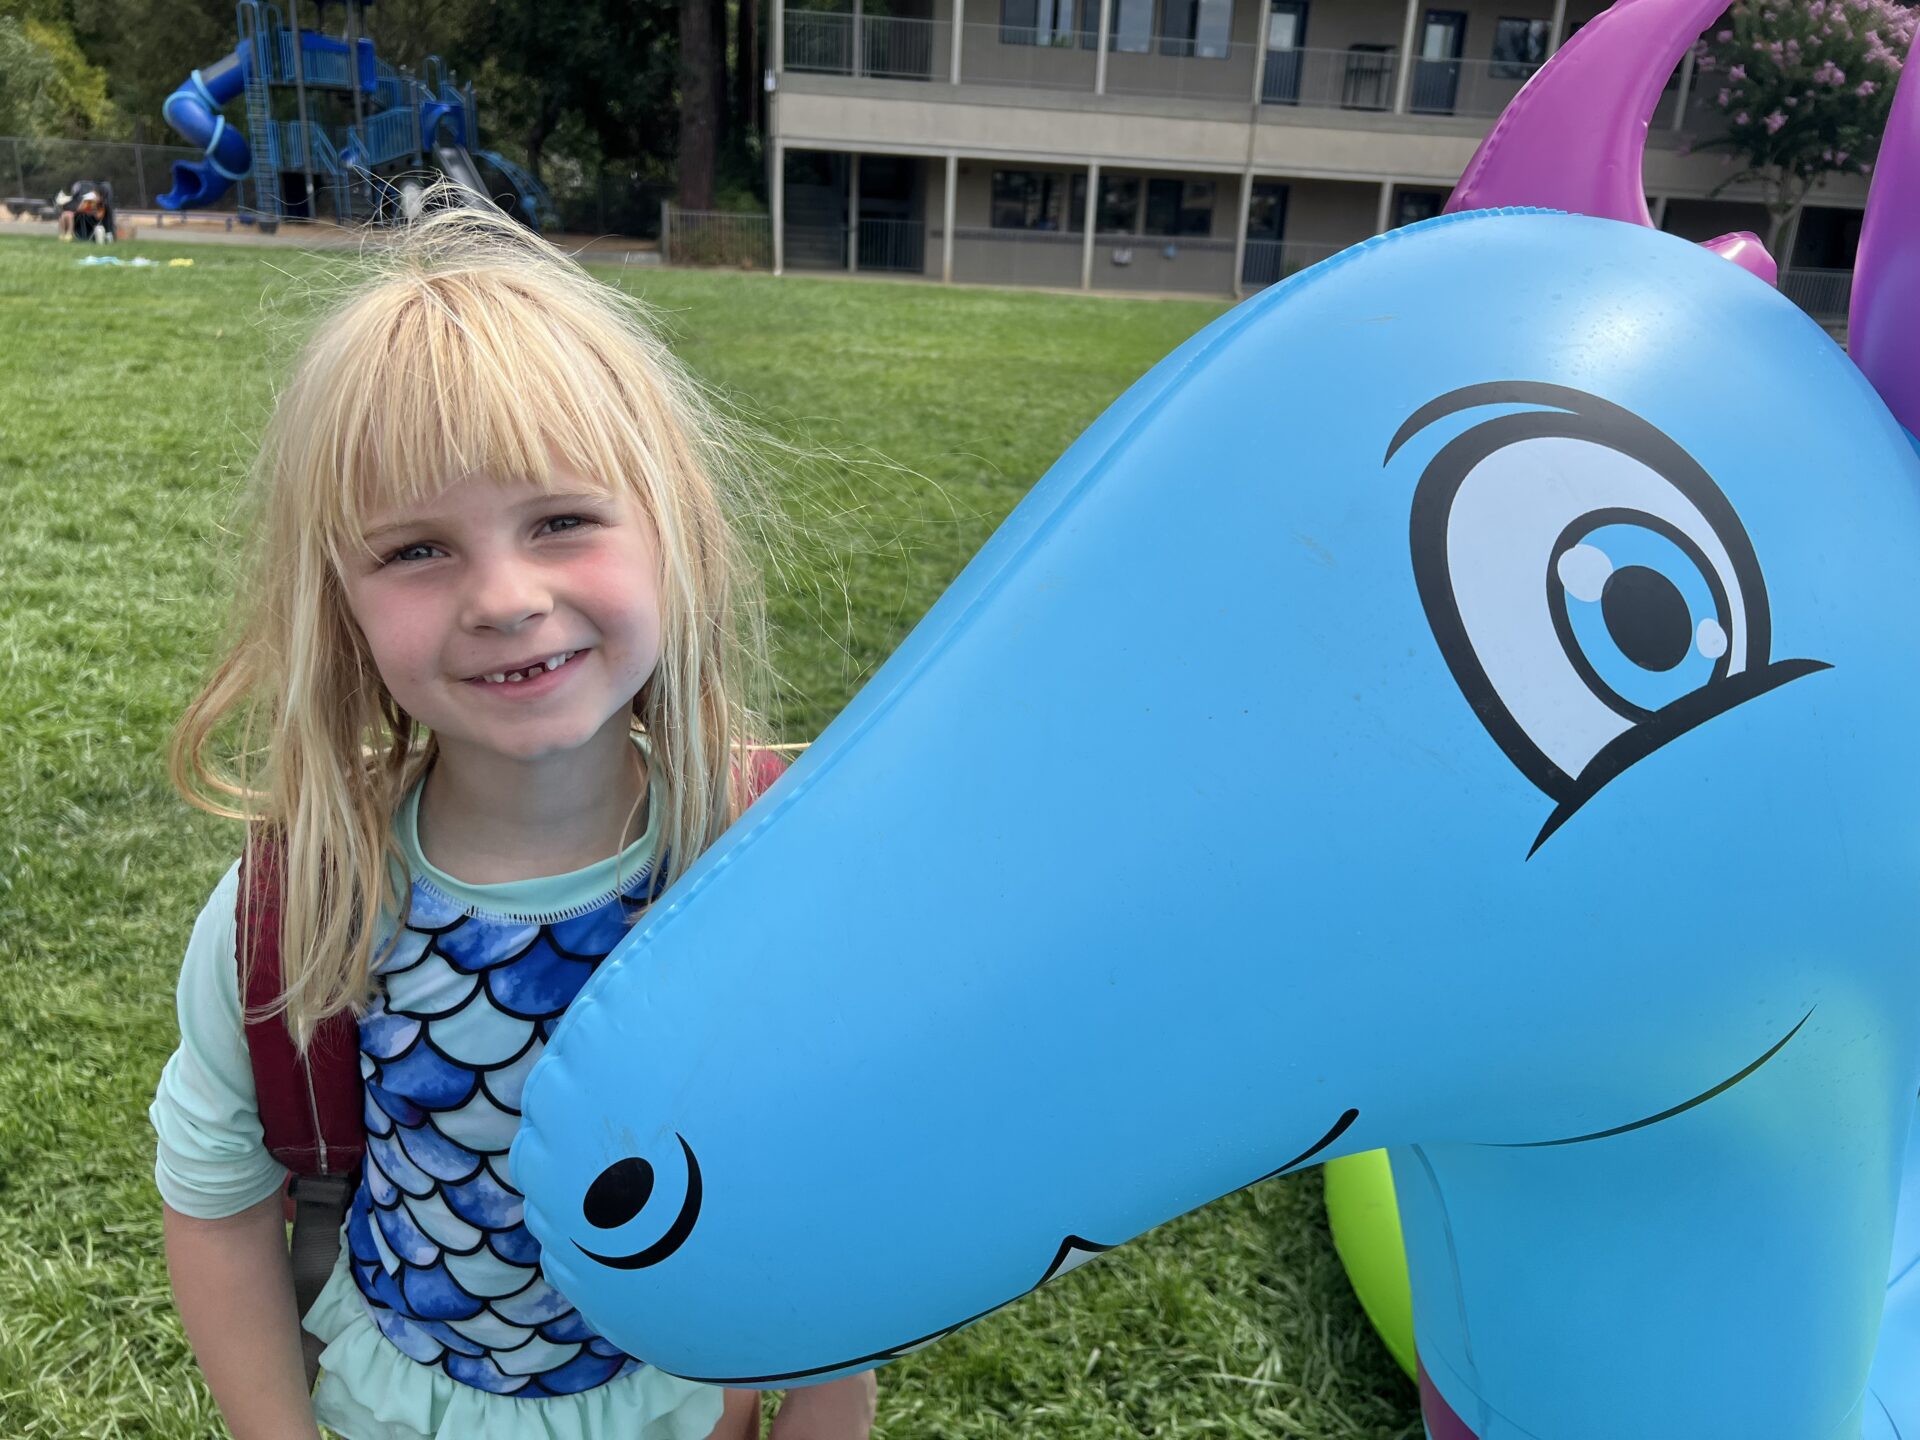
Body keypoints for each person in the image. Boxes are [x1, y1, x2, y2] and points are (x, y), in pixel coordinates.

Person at [149, 199, 878, 1440]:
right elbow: (214, 1199)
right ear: (340, 606)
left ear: (674, 532)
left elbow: (841, 1208)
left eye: (561, 520)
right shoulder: (296, 909)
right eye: (416, 550)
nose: (503, 596)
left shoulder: (770, 876)